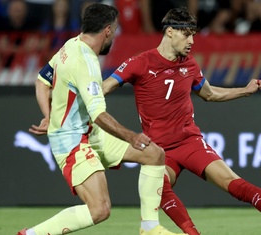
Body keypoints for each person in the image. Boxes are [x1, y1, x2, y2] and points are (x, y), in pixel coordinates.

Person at [31, 6, 261, 235]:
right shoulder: (138, 63)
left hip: (189, 142)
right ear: (170, 32)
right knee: (159, 186)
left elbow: (209, 94)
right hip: (159, 147)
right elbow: (101, 89)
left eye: (194, 34)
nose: (192, 41)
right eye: (187, 35)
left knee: (234, 183)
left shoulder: (190, 65)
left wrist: (244, 90)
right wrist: (58, 114)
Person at [19, 3, 186, 235]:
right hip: (72, 141)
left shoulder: (71, 45)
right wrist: (131, 136)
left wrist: (48, 116)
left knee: (154, 154)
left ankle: (150, 228)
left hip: (91, 134)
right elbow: (98, 115)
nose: (115, 36)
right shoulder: (86, 63)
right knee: (100, 210)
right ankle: (30, 234)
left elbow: (41, 81)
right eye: (115, 31)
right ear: (107, 31)